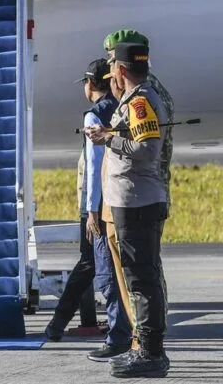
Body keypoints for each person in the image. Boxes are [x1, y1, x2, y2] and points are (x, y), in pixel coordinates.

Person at [86, 43, 170, 378]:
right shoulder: (134, 99)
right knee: (139, 278)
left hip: (137, 202)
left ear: (121, 70)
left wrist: (108, 138)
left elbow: (147, 150)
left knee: (142, 280)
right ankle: (145, 349)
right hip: (131, 201)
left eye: (113, 70)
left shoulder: (139, 101)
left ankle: (151, 353)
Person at [44, 60, 132, 360]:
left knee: (97, 266)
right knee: (102, 264)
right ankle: (59, 325)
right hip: (122, 200)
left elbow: (95, 167)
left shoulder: (96, 114)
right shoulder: (121, 107)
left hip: (98, 205)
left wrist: (91, 210)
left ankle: (111, 332)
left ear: (90, 84)